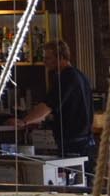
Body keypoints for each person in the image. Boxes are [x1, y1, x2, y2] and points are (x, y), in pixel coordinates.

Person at [21, 40, 95, 178]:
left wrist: (23, 122)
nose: (44, 62)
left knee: (73, 185)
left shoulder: (66, 78)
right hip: (85, 140)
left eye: (48, 58)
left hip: (74, 143)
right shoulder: (80, 75)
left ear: (60, 57)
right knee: (84, 183)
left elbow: (47, 106)